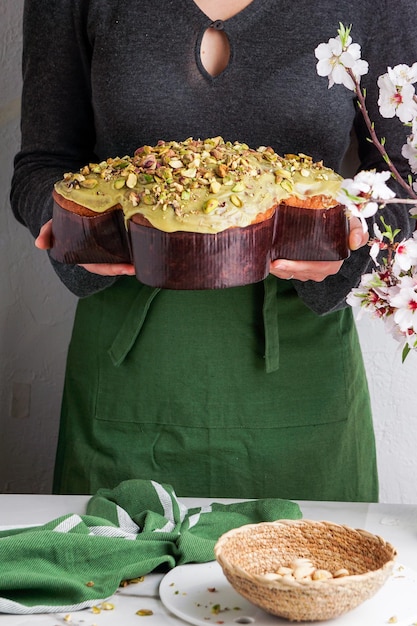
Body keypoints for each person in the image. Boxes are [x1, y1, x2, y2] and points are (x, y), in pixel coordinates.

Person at [10, 0, 416, 500]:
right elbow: (42, 165)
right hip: (127, 356)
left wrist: (351, 245)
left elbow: (407, 180)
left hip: (302, 363)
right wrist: (73, 229)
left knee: (309, 568)